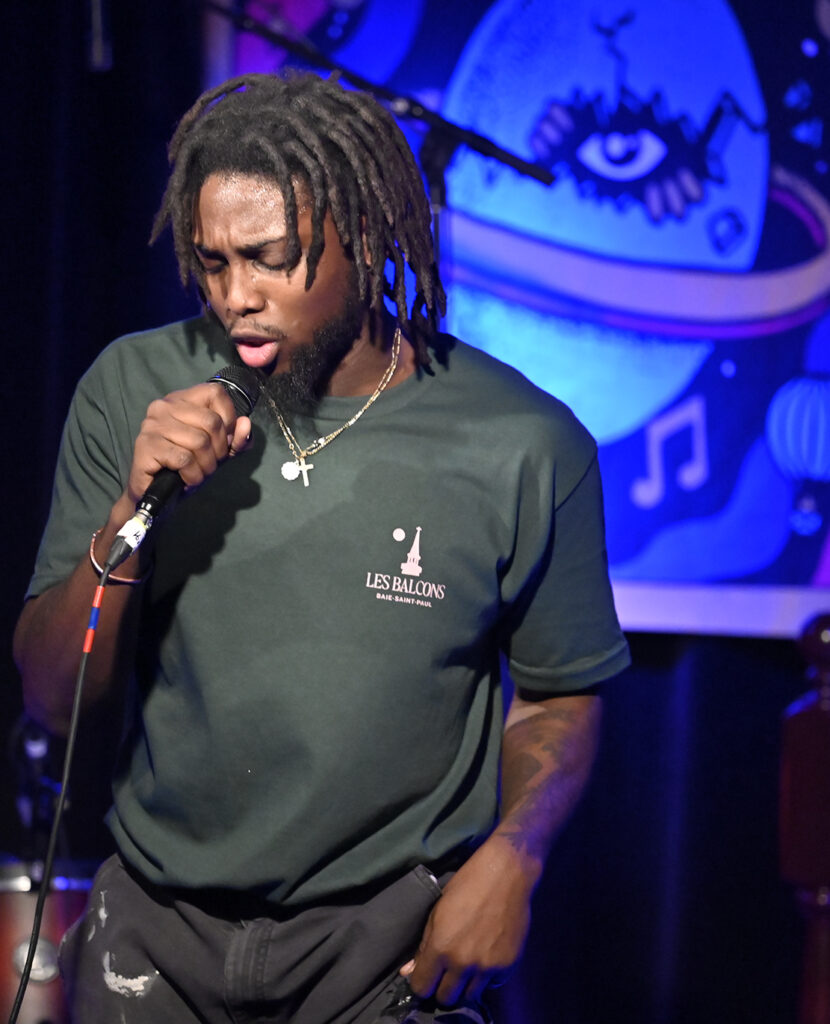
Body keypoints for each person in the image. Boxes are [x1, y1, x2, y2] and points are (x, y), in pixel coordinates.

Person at [13, 72, 630, 1023]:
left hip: (384, 952)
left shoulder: (523, 441)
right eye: (212, 264)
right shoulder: (135, 386)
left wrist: (516, 857)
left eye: (269, 260)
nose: (236, 298)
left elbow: (557, 696)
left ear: (369, 235)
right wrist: (133, 508)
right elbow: (54, 696)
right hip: (155, 937)